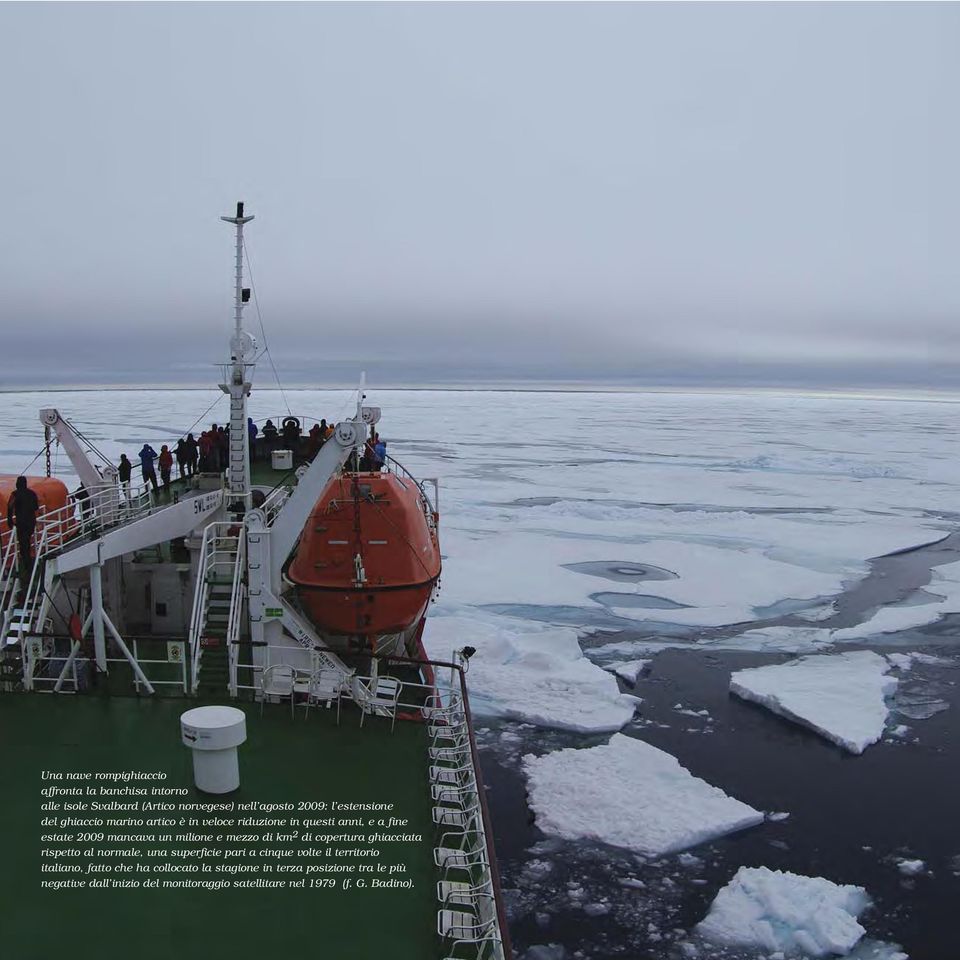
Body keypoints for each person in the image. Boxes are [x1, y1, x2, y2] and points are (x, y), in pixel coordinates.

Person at [6, 476, 39, 582]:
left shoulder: (14, 494)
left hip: (21, 523)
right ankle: (28, 563)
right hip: (31, 522)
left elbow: (10, 507)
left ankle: (27, 564)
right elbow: (35, 507)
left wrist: (10, 521)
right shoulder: (32, 494)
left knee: (23, 543)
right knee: (27, 541)